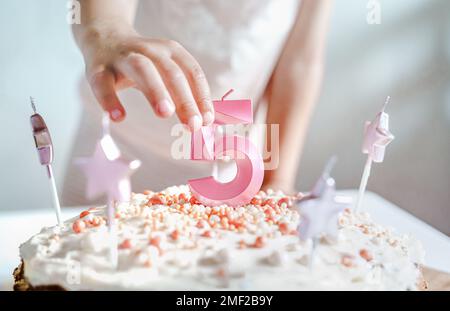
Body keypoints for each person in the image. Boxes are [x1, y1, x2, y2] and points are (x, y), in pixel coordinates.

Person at [62, 0, 333, 205]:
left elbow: (300, 62)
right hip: (112, 151)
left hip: (230, 171)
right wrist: (107, 32)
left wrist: (279, 178)